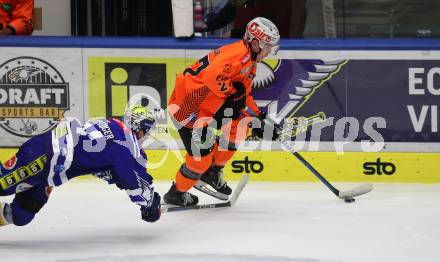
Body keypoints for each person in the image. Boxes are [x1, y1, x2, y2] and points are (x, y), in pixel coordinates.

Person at [164, 17, 281, 207]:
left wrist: (260, 118)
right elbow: (212, 78)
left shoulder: (250, 61)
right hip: (187, 109)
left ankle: (213, 171)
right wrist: (232, 94)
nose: (269, 52)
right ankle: (176, 193)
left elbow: (243, 97)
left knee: (241, 126)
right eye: (268, 47)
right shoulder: (237, 56)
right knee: (200, 160)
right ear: (255, 42)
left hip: (206, 109)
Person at [0, 105, 161, 226]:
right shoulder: (128, 145)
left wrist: (120, 177)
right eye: (145, 132)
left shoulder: (110, 123)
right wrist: (151, 204)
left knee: (21, 215)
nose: (144, 137)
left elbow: (100, 163)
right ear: (140, 130)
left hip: (50, 169)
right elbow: (136, 189)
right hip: (42, 158)